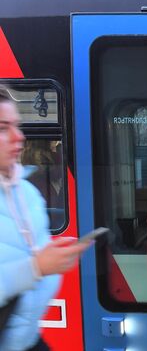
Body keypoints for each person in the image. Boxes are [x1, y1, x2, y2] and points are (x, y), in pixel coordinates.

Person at [0, 87, 90, 351]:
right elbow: (32, 265)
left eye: (17, 126)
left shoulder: (26, 193)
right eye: (3, 128)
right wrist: (36, 268)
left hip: (28, 340)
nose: (19, 137)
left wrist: (53, 254)